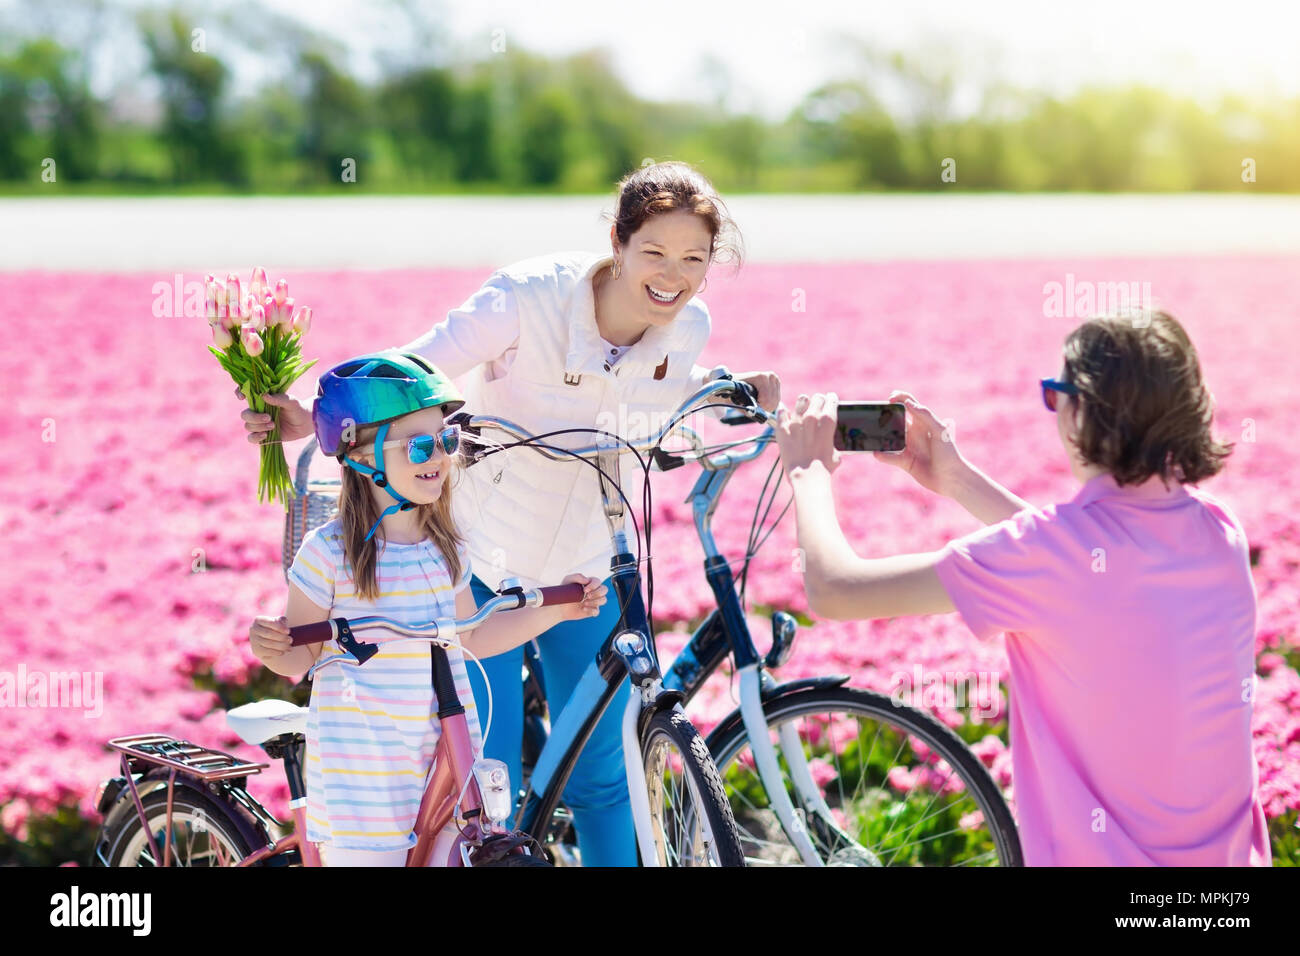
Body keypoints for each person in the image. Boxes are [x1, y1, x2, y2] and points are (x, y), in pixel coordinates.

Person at [238, 161, 781, 866]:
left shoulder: (690, 327)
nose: (671, 275)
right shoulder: (527, 298)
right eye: (653, 251)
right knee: (483, 784)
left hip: (588, 567)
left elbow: (666, 388)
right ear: (616, 243)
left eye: (693, 260)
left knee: (602, 778)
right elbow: (416, 366)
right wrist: (315, 412)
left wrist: (729, 388)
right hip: (481, 560)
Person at [773, 311, 1271, 866]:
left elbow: (835, 590)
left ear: (1082, 411)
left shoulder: (1052, 556)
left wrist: (808, 474)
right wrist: (957, 479)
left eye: (1055, 394)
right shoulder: (1217, 531)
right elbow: (1086, 571)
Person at [247, 351, 606, 867]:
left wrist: (556, 610)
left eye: (446, 440)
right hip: (366, 780)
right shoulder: (329, 554)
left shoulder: (447, 549)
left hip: (447, 763)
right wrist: (274, 647)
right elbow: (299, 658)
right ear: (361, 456)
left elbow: (474, 636)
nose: (438, 455)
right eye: (419, 445)